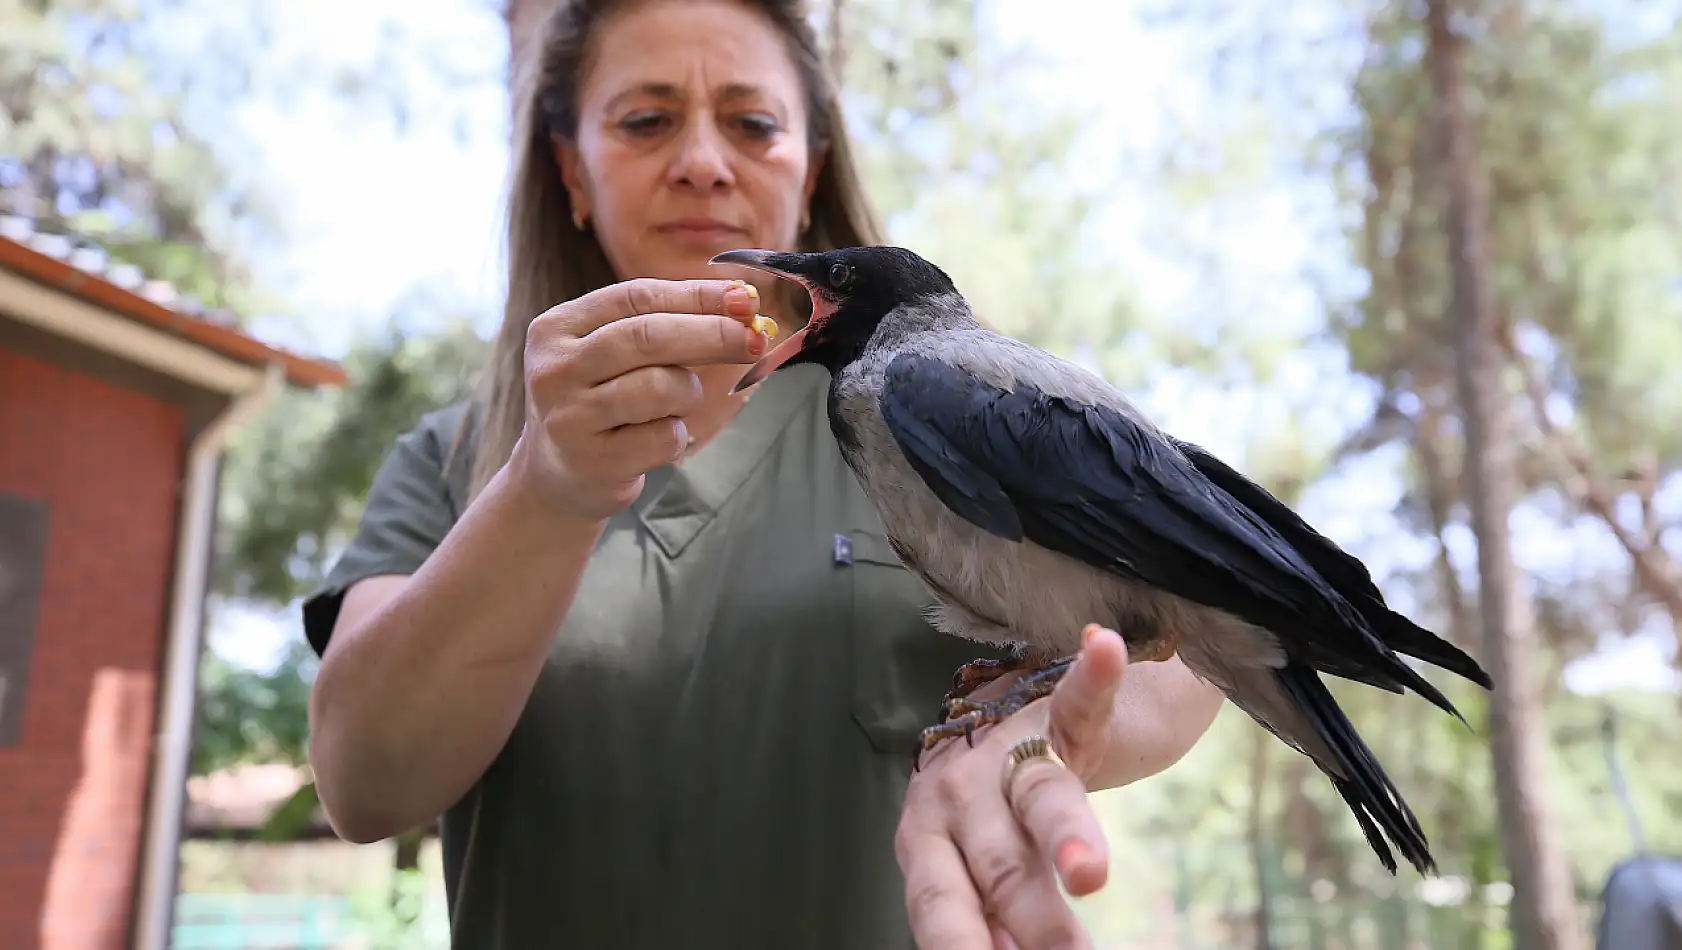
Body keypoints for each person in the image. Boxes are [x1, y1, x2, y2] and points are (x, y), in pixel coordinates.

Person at [300, 0, 1228, 947]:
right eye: (646, 119)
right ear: (572, 172)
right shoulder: (454, 459)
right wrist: (543, 486)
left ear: (811, 170)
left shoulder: (937, 403)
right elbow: (361, 780)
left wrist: (1031, 737)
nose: (702, 159)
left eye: (753, 122)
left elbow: (1184, 635)